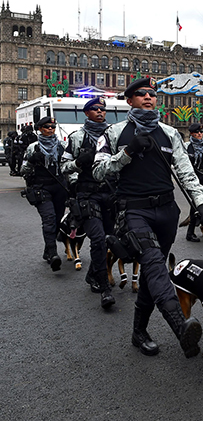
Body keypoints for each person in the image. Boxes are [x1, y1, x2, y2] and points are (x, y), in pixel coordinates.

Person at [93, 77, 203, 358]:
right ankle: (180, 327)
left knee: (150, 273)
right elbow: (98, 171)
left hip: (167, 211)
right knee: (157, 266)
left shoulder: (170, 133)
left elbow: (185, 172)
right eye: (141, 94)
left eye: (152, 94)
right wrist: (128, 152)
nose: (148, 97)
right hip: (134, 211)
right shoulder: (113, 133)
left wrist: (201, 204)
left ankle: (139, 331)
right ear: (130, 100)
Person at [60, 97, 116, 309]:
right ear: (86, 113)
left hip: (110, 194)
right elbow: (63, 167)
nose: (101, 112)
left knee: (111, 240)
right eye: (95, 109)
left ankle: (93, 274)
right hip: (87, 195)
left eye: (103, 109)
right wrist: (77, 164)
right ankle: (104, 287)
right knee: (98, 239)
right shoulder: (76, 138)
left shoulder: (113, 134)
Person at [21, 117, 67, 272]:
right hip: (41, 187)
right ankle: (53, 254)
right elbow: (23, 170)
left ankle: (48, 249)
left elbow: (67, 166)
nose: (50, 129)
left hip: (59, 187)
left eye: (53, 126)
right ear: (39, 129)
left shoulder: (62, 146)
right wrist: (32, 161)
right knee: (49, 219)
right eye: (47, 127)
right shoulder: (33, 148)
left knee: (58, 219)